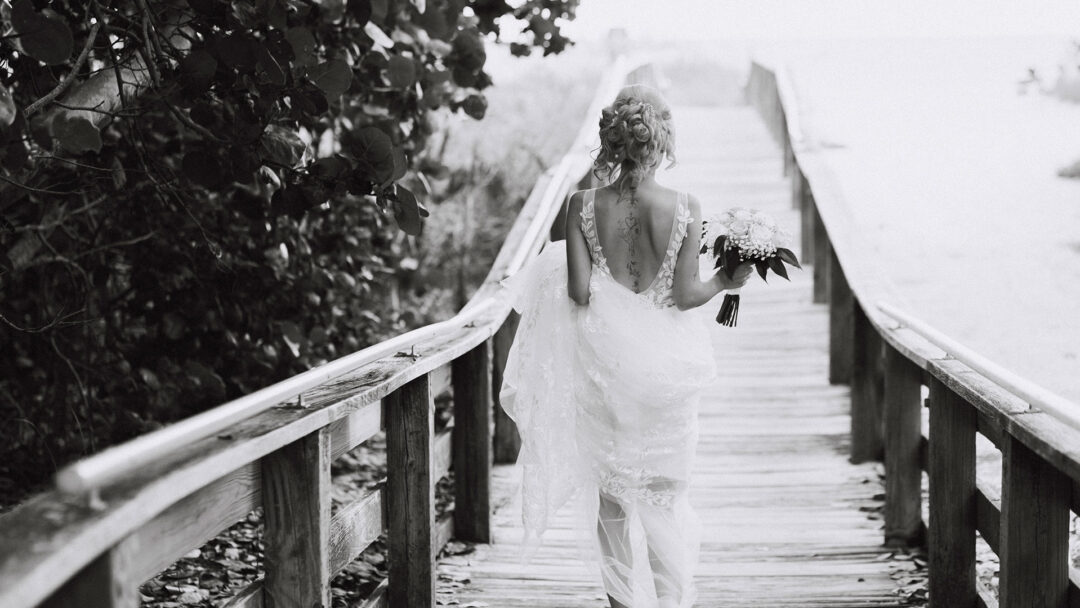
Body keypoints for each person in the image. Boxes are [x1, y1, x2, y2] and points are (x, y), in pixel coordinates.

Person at [499, 84, 752, 608]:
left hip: (606, 367)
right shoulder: (685, 206)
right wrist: (726, 282)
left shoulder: (581, 205)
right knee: (663, 495)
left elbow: (578, 291)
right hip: (668, 371)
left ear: (613, 140)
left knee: (612, 498)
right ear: (661, 140)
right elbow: (684, 296)